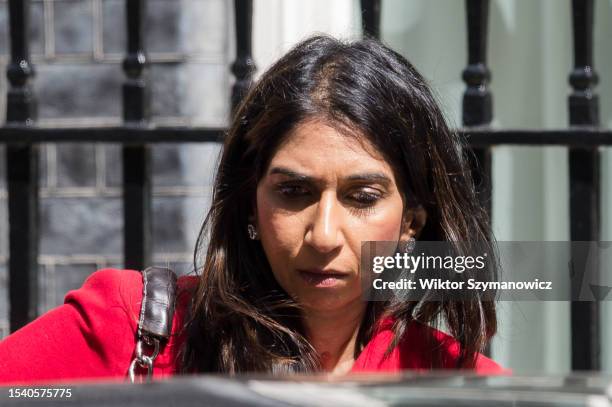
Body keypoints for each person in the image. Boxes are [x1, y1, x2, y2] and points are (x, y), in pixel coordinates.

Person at [0, 35, 504, 384]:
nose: (324, 235)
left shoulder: (459, 382)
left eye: (362, 198)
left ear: (412, 221)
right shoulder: (130, 329)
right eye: (294, 193)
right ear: (249, 203)